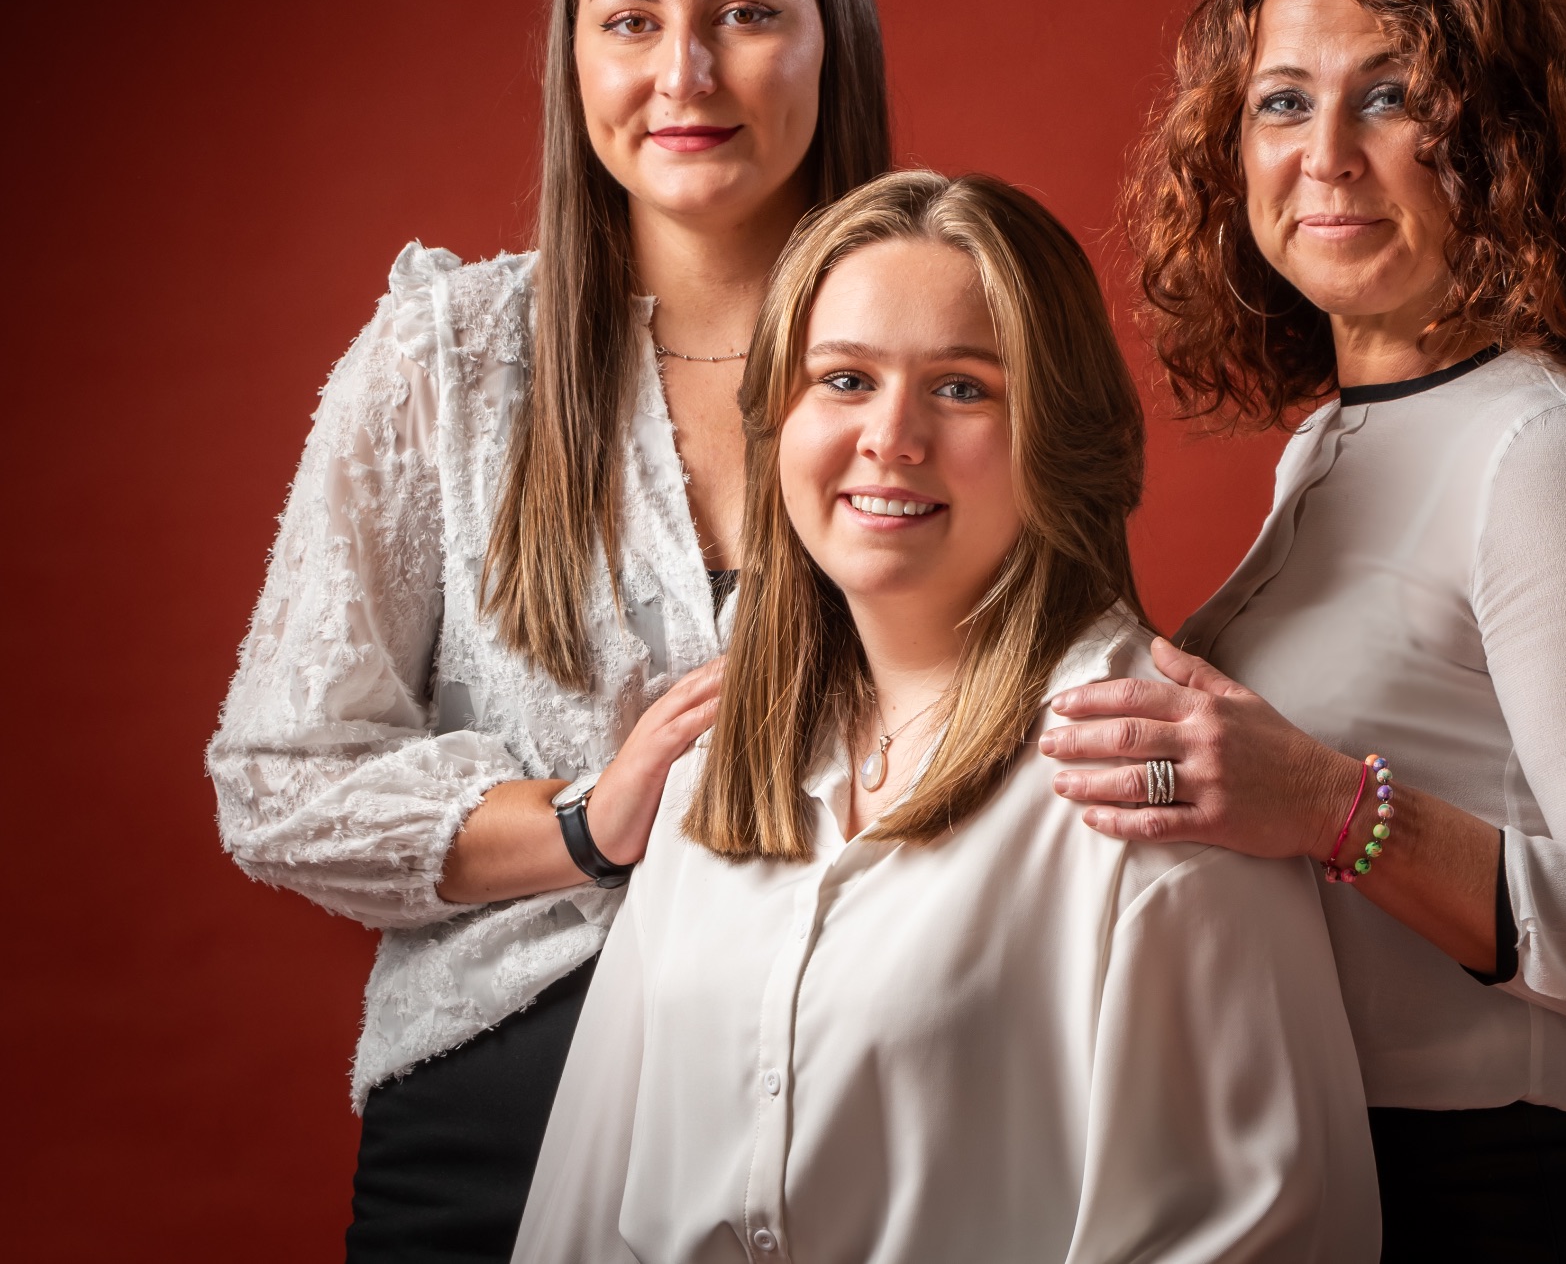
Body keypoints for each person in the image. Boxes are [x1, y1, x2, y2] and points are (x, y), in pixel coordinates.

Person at [205, 0, 891, 1261]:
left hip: (860, 1120)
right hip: (493, 1143)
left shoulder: (948, 354)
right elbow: (280, 776)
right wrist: (588, 821)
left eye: (747, 14)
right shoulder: (446, 364)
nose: (683, 75)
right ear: (573, 60)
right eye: (630, 22)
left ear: (836, 41)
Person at [1040, 0, 1566, 1260]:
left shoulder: (1550, 450)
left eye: (1391, 95)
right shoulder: (1334, 443)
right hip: (1349, 1182)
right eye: (1283, 102)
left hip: (1534, 1208)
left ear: (1502, 141)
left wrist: (1330, 807)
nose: (1325, 157)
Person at [510, 170, 1381, 1264]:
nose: (890, 437)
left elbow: (1250, 1238)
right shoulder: (714, 765)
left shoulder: (1152, 777)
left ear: (1053, 433)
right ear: (779, 422)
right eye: (843, 380)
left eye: (962, 389)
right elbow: (584, 1209)